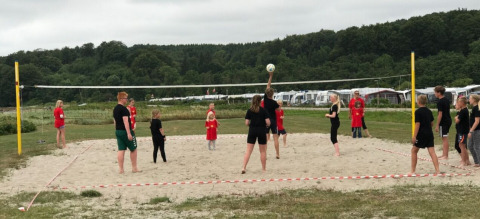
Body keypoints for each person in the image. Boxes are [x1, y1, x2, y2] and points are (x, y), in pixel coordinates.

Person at [410, 95, 440, 174]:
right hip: (429, 133)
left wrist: (414, 136)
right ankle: (437, 170)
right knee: (432, 152)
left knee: (414, 151)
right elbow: (432, 123)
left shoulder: (418, 112)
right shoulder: (429, 111)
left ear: (418, 102)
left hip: (421, 134)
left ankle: (413, 171)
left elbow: (417, 125)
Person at [242, 95, 271, 174]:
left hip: (252, 131)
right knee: (262, 151)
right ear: (260, 101)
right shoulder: (263, 110)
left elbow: (246, 123)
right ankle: (263, 169)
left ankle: (244, 167)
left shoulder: (249, 110)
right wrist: (267, 125)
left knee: (248, 150)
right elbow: (268, 122)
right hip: (261, 130)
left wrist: (251, 125)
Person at [113, 91, 140, 174]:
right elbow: (126, 121)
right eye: (125, 98)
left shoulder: (115, 108)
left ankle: (121, 169)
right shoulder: (124, 109)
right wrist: (129, 133)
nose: (127, 100)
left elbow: (115, 121)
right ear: (121, 99)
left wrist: (117, 129)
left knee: (121, 150)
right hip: (125, 131)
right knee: (133, 149)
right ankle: (134, 168)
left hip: (118, 131)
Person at [263, 71, 280, 159]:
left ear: (266, 94)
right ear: (272, 94)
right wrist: (278, 105)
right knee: (275, 137)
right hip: (273, 121)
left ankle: (264, 154)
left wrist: (270, 76)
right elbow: (278, 109)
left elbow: (268, 86)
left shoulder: (265, 100)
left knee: (265, 138)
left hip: (266, 120)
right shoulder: (274, 103)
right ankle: (277, 154)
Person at [434, 86, 452, 160]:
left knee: (444, 138)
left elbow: (440, 114)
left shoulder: (440, 102)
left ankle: (445, 155)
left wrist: (437, 125)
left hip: (444, 121)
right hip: (448, 120)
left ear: (439, 93)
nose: (434, 93)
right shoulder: (446, 99)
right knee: (444, 137)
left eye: (435, 92)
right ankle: (444, 154)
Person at [455, 97, 471, 167]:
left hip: (462, 131)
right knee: (462, 146)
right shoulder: (464, 110)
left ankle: (464, 161)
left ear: (462, 103)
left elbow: (457, 121)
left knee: (461, 146)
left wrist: (456, 118)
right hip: (462, 130)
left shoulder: (463, 111)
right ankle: (467, 160)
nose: (457, 104)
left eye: (458, 102)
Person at [468, 94, 480, 167]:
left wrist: (471, 130)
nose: (469, 100)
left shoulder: (477, 108)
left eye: (470, 99)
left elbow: (477, 121)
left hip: (477, 130)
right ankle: (477, 161)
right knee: (470, 146)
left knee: (476, 146)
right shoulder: (474, 108)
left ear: (474, 100)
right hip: (473, 130)